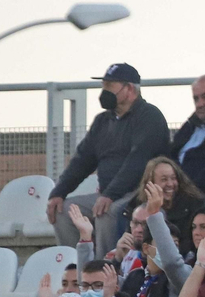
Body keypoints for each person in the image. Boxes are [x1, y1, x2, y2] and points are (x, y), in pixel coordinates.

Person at [49, 64, 172, 250]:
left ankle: (104, 270)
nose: (103, 92)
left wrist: (110, 195)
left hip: (138, 194)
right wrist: (58, 193)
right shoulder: (102, 121)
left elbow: (138, 161)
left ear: (130, 89)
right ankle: (78, 270)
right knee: (64, 211)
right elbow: (82, 160)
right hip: (108, 193)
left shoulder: (149, 116)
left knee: (106, 213)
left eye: (109, 87)